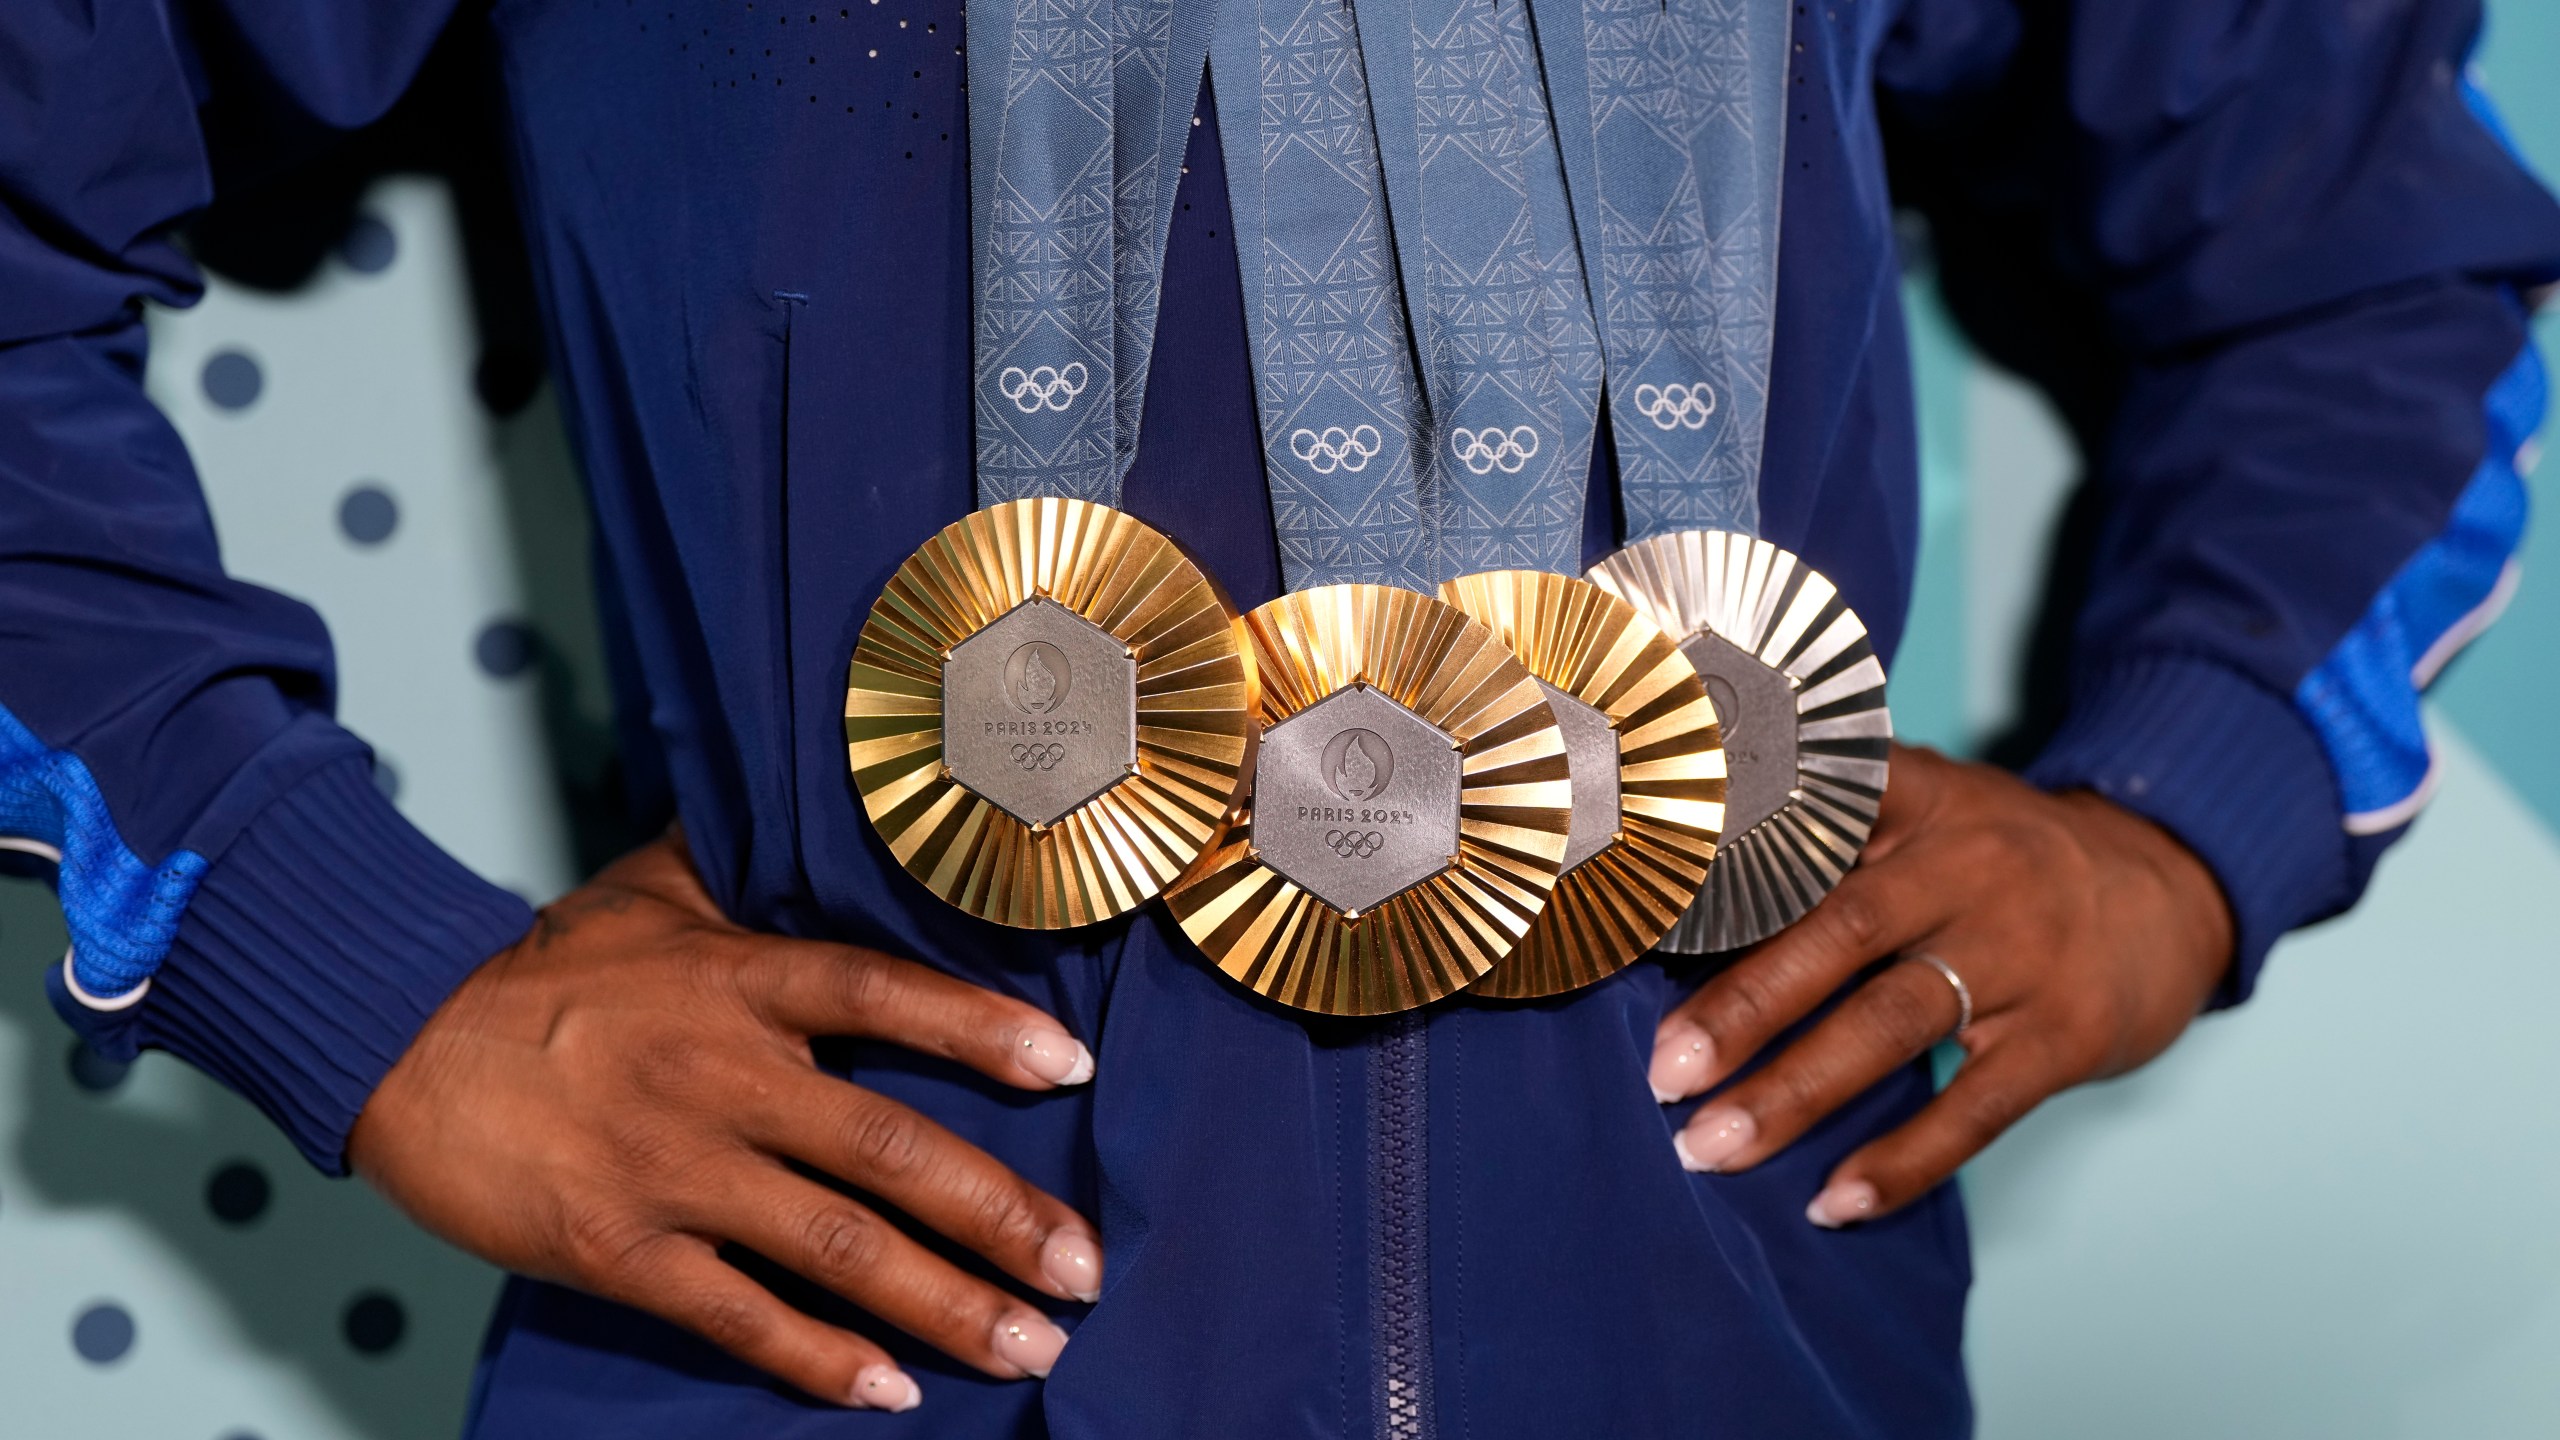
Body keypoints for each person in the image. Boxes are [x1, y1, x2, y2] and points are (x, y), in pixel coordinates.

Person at [4, 0, 2554, 1434]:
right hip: (840, 1359)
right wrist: (327, 942)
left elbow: (2364, 262)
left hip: (1744, 1352)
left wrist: (2180, 799)